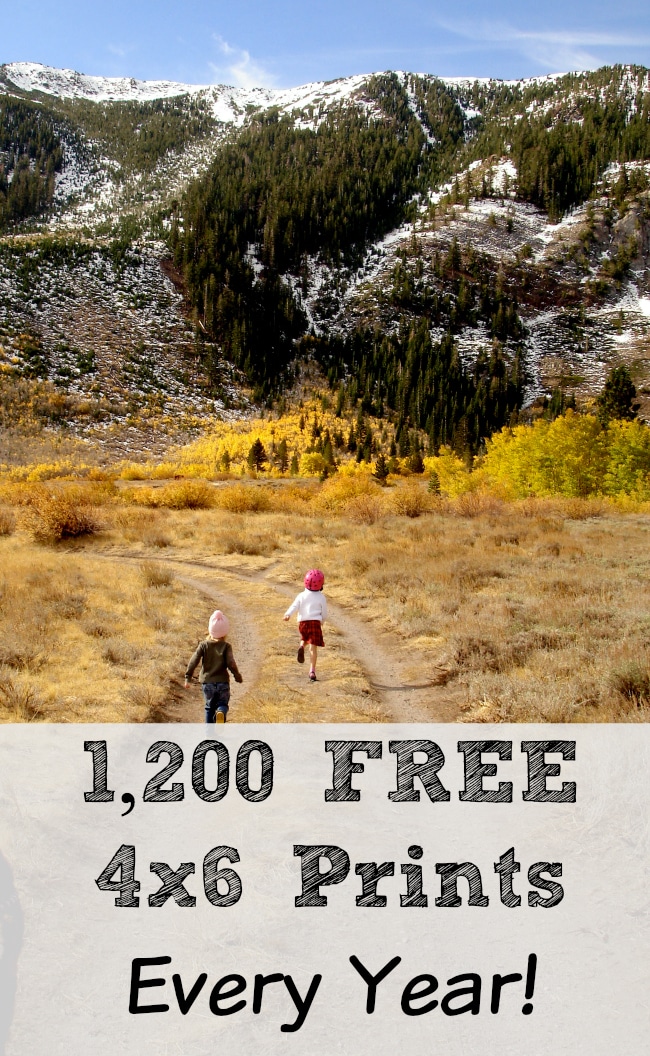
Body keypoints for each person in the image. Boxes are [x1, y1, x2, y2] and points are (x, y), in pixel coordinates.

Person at [184, 610, 242, 723]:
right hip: (222, 682)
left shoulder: (203, 645)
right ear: (225, 631)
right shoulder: (226, 646)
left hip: (207, 683)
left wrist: (188, 677)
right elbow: (231, 663)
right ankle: (221, 711)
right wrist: (237, 676)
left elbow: (194, 660)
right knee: (223, 703)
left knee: (209, 707)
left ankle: (209, 734)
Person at [283, 569, 327, 681]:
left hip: (303, 623)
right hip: (315, 623)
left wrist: (288, 614)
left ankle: (301, 646)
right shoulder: (321, 597)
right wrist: (322, 621)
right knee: (313, 648)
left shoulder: (301, 595)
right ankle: (312, 670)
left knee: (305, 638)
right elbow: (324, 612)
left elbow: (294, 606)